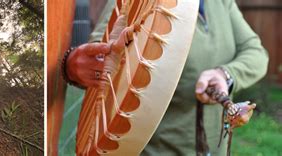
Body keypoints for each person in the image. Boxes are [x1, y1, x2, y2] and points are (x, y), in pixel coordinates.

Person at [60, 0, 269, 155]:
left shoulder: (221, 3)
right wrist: (77, 65)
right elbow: (101, 50)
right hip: (156, 149)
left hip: (215, 147)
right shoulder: (138, 3)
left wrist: (225, 75)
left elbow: (256, 53)